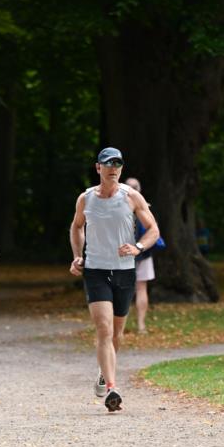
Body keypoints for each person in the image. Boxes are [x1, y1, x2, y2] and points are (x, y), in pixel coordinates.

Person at [69, 147, 159, 411]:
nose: (113, 168)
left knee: (117, 333)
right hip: (96, 270)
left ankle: (103, 372)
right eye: (108, 164)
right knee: (104, 329)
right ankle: (112, 388)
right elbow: (76, 227)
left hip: (124, 271)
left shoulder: (131, 197)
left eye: (117, 164)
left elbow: (153, 229)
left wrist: (138, 248)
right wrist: (77, 255)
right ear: (98, 168)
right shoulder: (86, 199)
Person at [124, 177, 166, 333]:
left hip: (124, 254)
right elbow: (153, 230)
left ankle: (120, 327)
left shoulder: (118, 206)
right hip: (143, 252)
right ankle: (141, 326)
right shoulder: (144, 206)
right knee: (141, 288)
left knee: (122, 289)